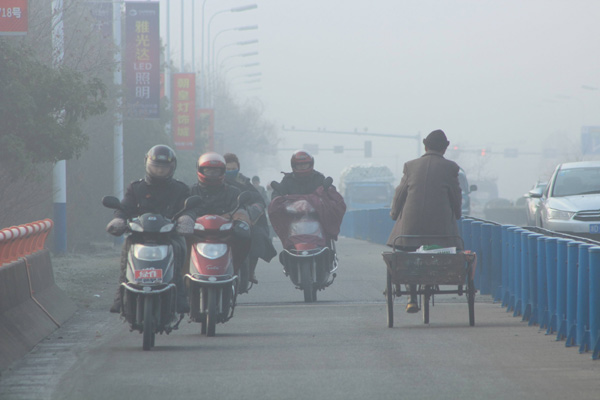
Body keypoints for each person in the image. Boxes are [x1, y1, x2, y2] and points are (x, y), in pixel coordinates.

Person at [106, 145, 194, 314]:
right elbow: (124, 207)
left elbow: (188, 208)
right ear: (147, 164)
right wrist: (118, 220)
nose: (160, 171)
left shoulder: (180, 189)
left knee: (180, 247)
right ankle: (120, 297)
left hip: (169, 236)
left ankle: (180, 297)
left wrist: (186, 219)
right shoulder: (136, 187)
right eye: (156, 167)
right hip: (140, 237)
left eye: (164, 168)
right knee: (126, 249)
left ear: (172, 167)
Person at [387, 129, 463, 314]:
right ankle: (432, 280)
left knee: (409, 253)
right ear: (444, 149)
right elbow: (456, 196)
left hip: (409, 231)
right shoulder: (451, 168)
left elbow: (400, 194)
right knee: (437, 249)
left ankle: (412, 297)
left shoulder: (410, 166)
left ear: (425, 145)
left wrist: (395, 213)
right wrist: (457, 214)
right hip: (442, 232)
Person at [223, 153, 277, 284]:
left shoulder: (245, 182)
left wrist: (251, 212)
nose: (231, 172)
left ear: (238, 168)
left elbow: (258, 199)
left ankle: (251, 270)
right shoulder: (217, 183)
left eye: (233, 169)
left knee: (258, 236)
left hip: (244, 220)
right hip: (223, 220)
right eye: (227, 169)